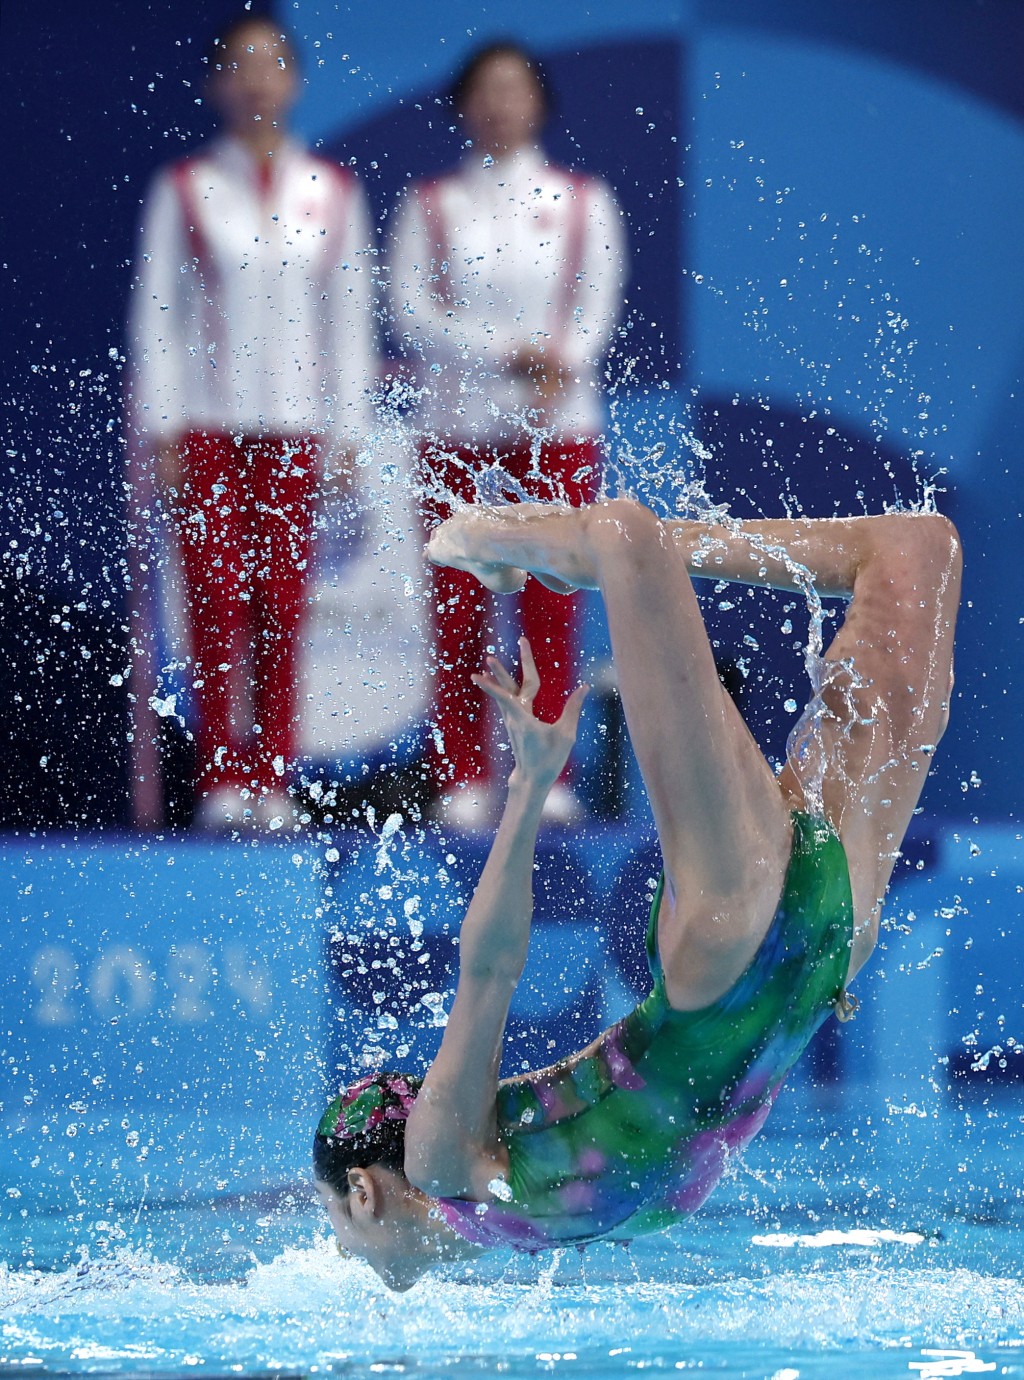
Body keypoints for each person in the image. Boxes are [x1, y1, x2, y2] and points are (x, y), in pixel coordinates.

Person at [312, 497, 962, 1290]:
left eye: (336, 1227)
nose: (344, 1250)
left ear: (363, 1193)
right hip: (823, 950)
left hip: (736, 946)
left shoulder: (441, 1162)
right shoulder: (507, 1196)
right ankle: (635, 557)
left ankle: (522, 544)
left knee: (625, 538)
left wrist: (527, 794)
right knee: (919, 552)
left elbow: (488, 971)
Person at [127, 14, 377, 830]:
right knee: (213, 595)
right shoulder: (187, 188)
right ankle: (221, 777)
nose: (258, 81)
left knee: (282, 595)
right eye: (241, 66)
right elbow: (158, 312)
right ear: (216, 86)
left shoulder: (333, 193)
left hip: (298, 427)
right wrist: (163, 428)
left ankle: (273, 774)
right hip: (206, 423)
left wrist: (348, 431)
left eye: (273, 65)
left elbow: (349, 320)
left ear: (297, 82)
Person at [389, 43, 627, 826]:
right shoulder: (429, 204)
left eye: (514, 89)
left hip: (556, 428)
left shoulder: (584, 201)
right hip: (455, 426)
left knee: (552, 607)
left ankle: (545, 776)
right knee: (456, 605)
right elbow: (411, 312)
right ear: (462, 105)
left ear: (540, 104)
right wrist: (504, 355)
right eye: (485, 91)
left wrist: (562, 361)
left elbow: (596, 308)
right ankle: (459, 772)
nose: (499, 104)